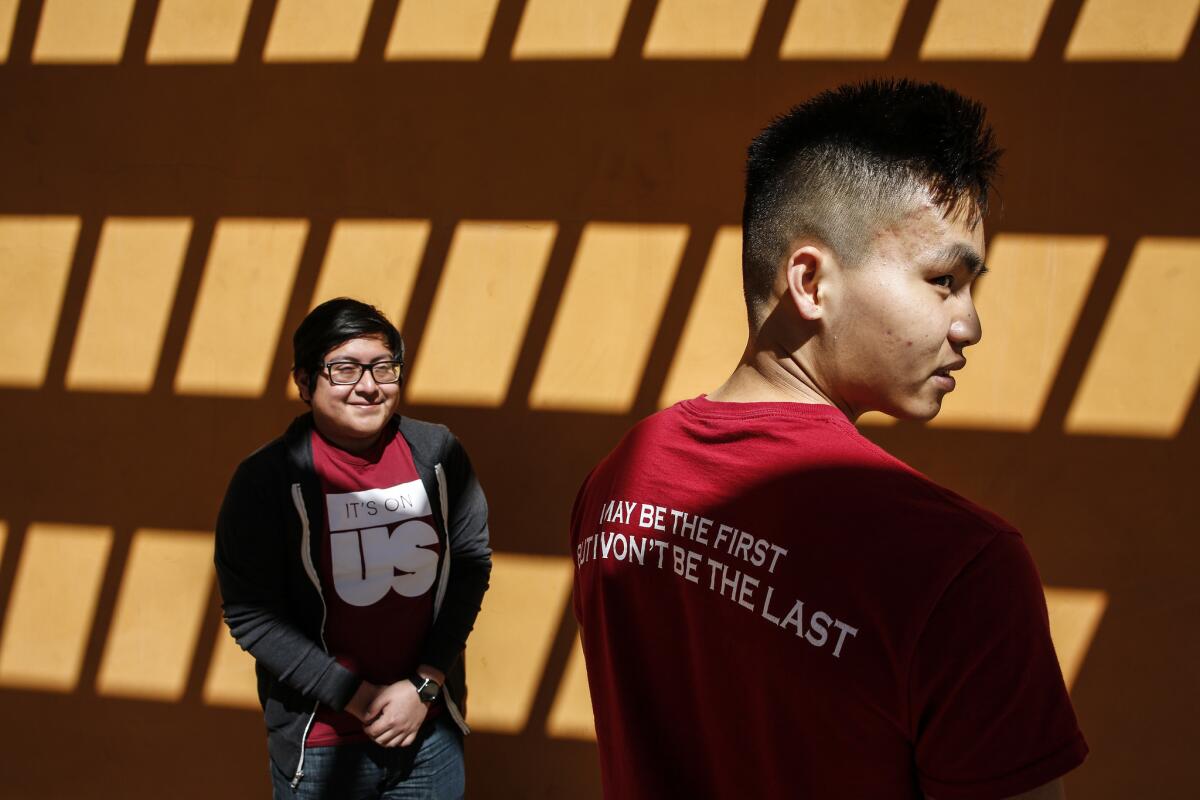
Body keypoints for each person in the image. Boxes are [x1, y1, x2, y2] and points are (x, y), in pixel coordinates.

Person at [569, 80, 1087, 799]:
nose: (969, 326)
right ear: (810, 281)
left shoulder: (620, 479)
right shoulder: (959, 566)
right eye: (943, 279)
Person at [215, 298, 491, 799]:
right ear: (303, 382)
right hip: (321, 744)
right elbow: (251, 615)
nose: (368, 385)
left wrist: (425, 685)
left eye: (383, 367)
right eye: (344, 369)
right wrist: (359, 699)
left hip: (428, 735)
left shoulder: (439, 454)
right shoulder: (266, 481)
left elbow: (470, 566)